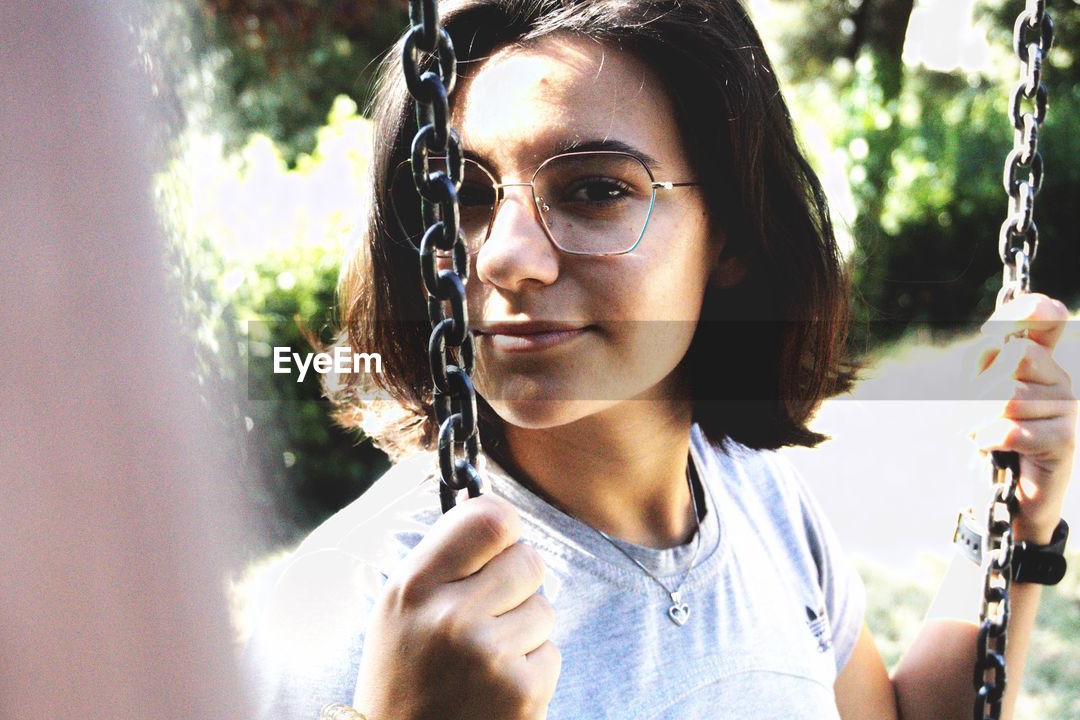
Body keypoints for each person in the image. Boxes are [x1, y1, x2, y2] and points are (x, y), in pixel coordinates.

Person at [241, 1, 1076, 718]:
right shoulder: (363, 605)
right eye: (461, 195)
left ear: (734, 238)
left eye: (595, 189)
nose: (505, 258)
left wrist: (1009, 525)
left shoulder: (757, 497)